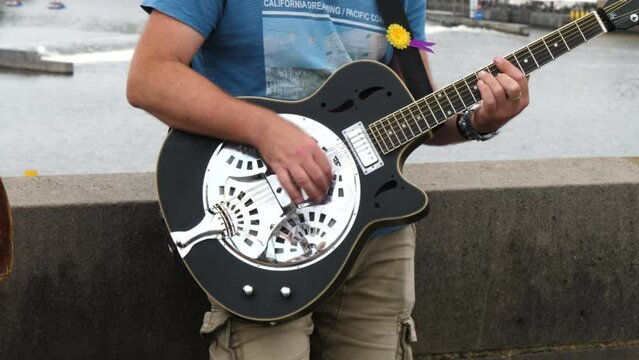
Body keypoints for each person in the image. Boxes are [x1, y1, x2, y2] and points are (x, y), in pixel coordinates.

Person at [127, 1, 530, 359]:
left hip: (373, 234)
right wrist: (266, 131)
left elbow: (416, 113)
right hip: (261, 237)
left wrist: (475, 121)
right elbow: (150, 78)